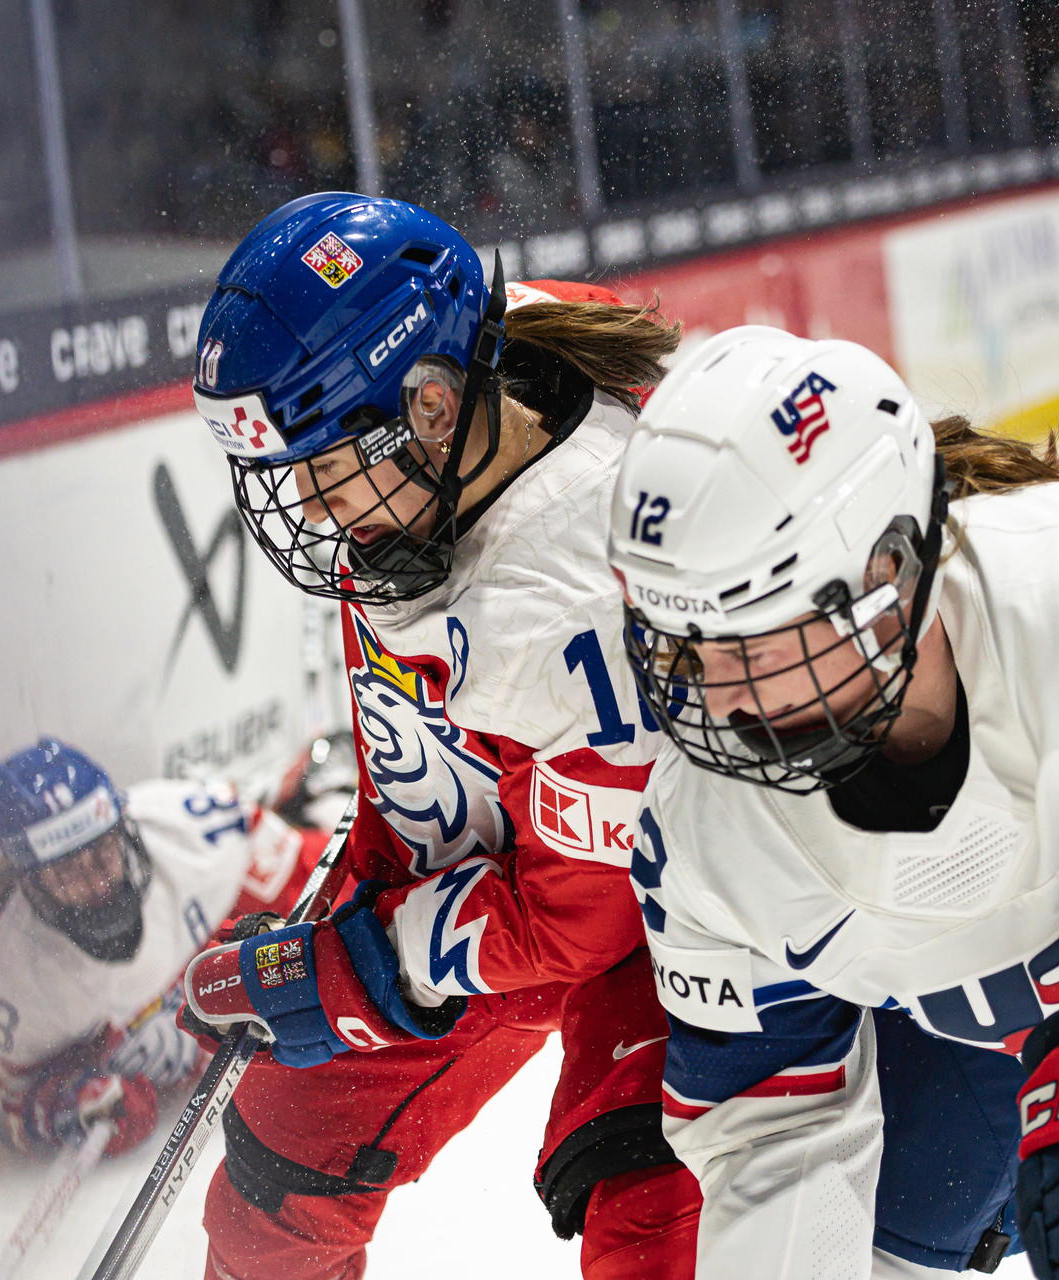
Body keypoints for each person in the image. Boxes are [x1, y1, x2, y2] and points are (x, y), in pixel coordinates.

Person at [604, 325, 1059, 1279]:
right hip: (981, 1056)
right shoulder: (704, 838)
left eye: (752, 635)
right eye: (682, 643)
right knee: (897, 1230)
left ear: (889, 569)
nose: (722, 700)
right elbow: (779, 1143)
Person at [180, 192, 701, 1280]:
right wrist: (347, 946)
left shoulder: (568, 615)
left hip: (679, 907)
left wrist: (363, 962)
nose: (311, 508)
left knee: (648, 1215)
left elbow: (574, 930)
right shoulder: (496, 356)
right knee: (284, 1163)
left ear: (427, 406)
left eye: (326, 463)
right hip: (527, 847)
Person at [0, 737, 314, 1158]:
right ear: (29, 881)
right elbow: (4, 1106)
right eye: (66, 870)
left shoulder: (196, 831)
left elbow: (322, 881)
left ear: (122, 828)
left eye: (101, 852)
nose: (96, 882)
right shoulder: (3, 983)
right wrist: (69, 1103)